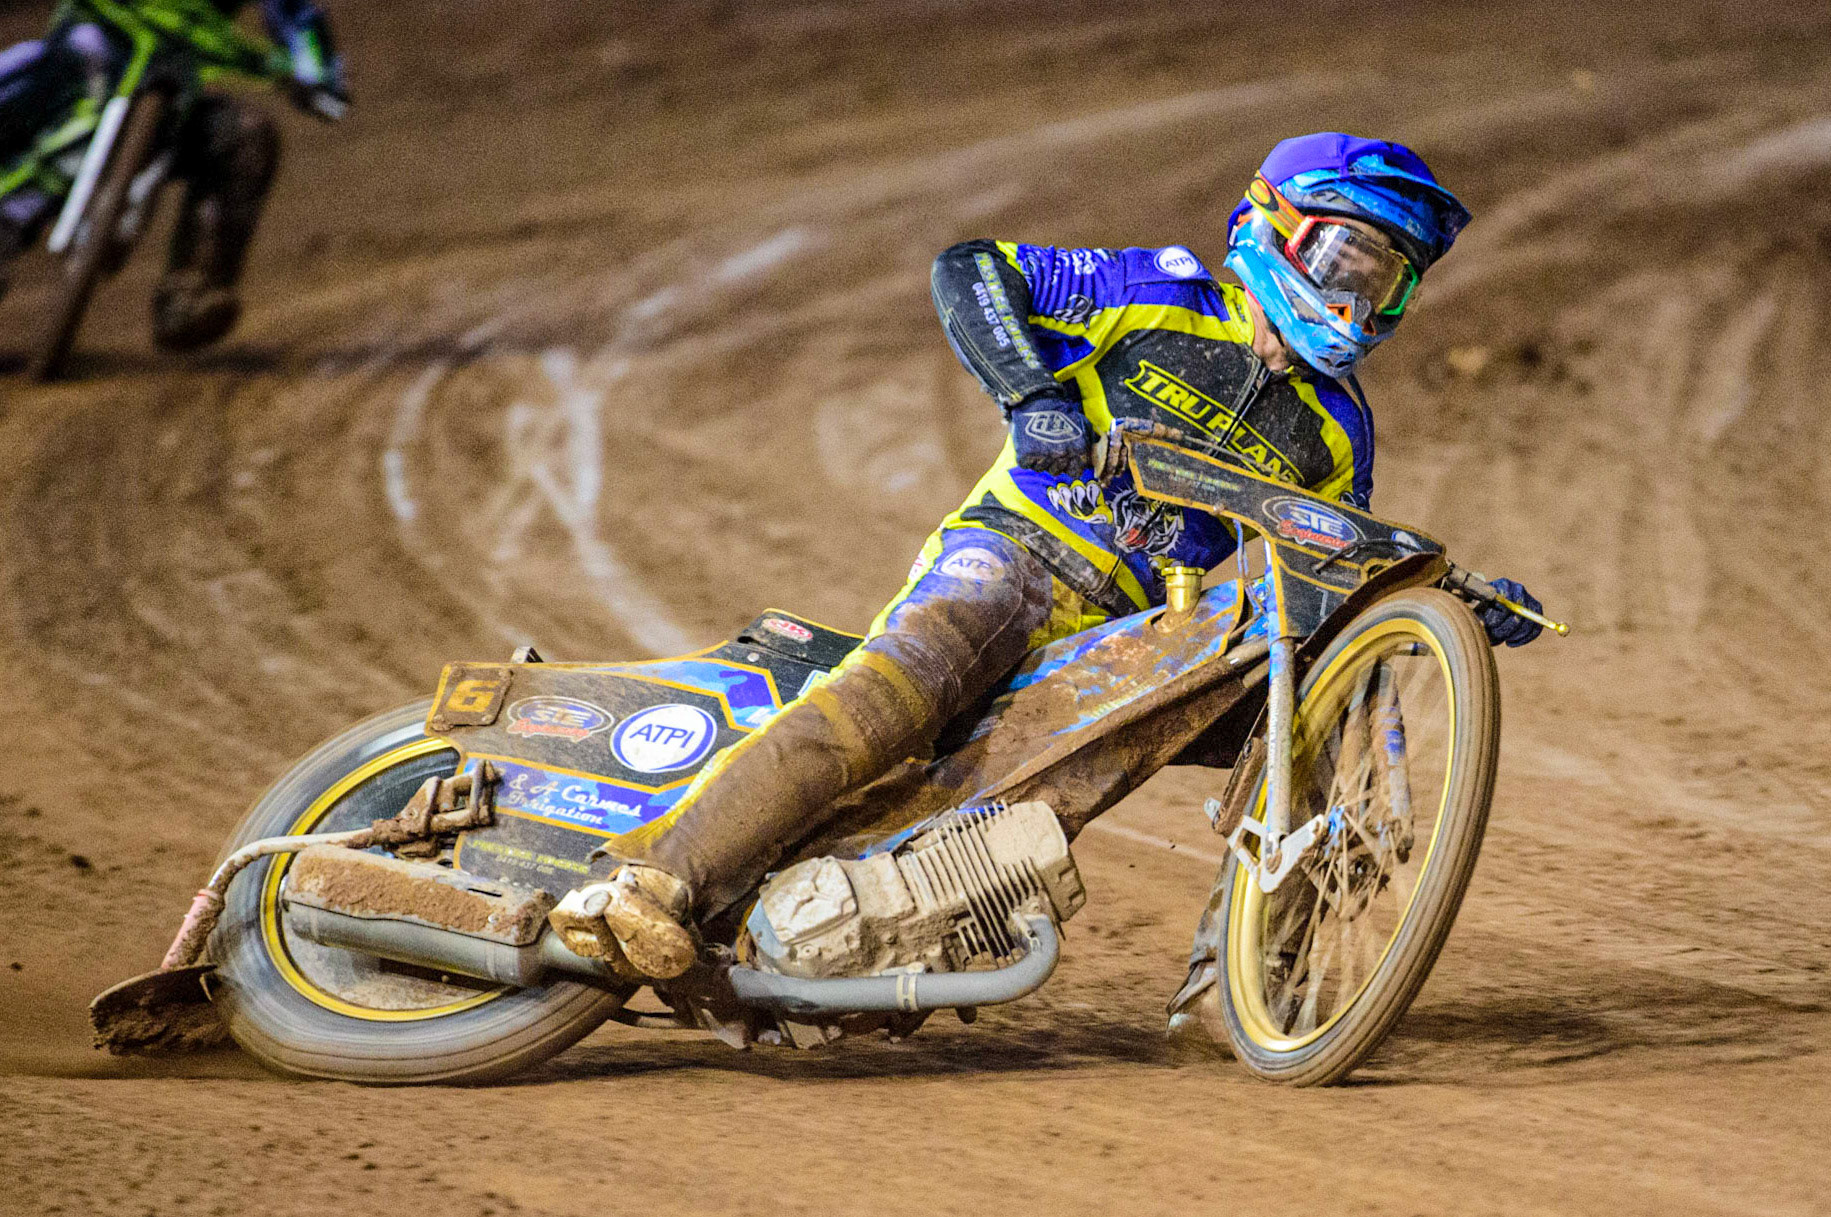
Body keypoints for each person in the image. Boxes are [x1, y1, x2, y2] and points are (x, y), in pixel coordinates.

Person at [547, 132, 1545, 980]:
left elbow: (1335, 559)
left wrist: (1447, 597)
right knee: (909, 684)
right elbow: (972, 269)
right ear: (1270, 228)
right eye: (1343, 263)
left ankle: (1246, 974)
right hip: (1015, 555)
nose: (1358, 303)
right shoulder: (1160, 294)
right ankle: (646, 880)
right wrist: (1035, 395)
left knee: (1314, 696)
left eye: (1387, 281)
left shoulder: (1337, 432)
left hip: (1128, 638)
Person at [0, 0, 347, 348]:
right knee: (27, 70)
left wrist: (316, 75)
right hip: (96, 38)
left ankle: (192, 293)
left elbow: (298, 17)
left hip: (177, 80)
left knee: (246, 134)